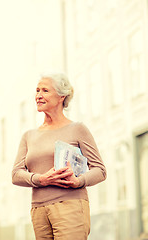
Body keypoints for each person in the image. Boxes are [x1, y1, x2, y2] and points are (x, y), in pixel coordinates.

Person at [11, 71, 107, 240]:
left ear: (62, 96)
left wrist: (79, 181)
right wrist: (41, 179)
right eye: (37, 90)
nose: (38, 96)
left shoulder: (77, 129)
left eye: (45, 91)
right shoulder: (29, 136)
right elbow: (16, 175)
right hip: (39, 210)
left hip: (70, 206)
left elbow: (100, 170)